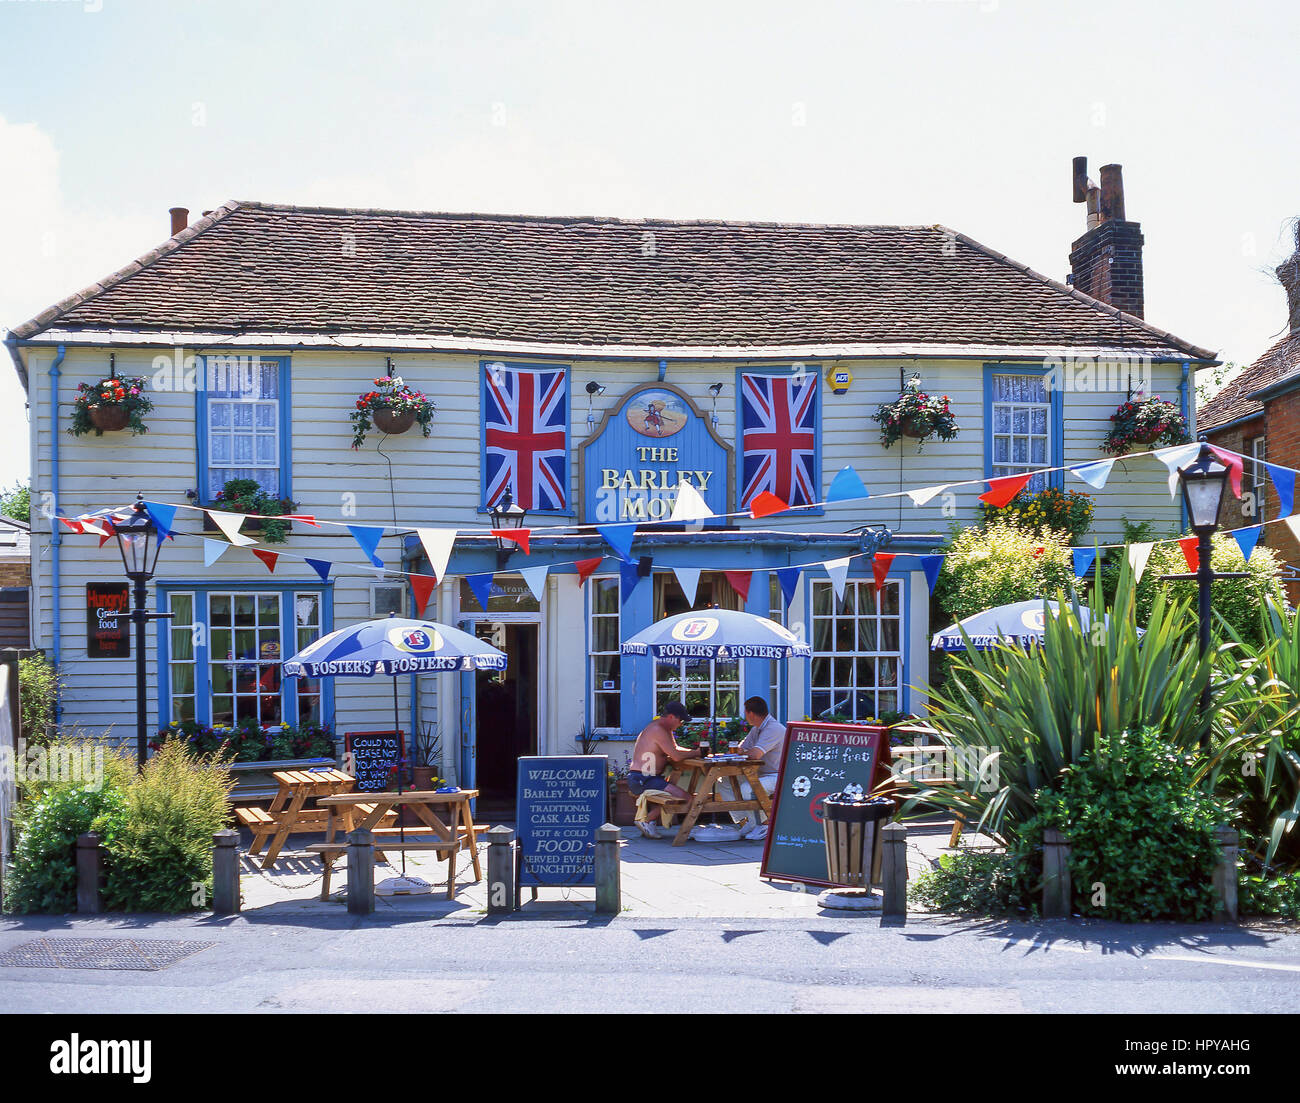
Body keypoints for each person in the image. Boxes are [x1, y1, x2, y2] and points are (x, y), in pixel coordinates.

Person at [626, 701, 693, 838]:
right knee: (685, 798)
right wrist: (698, 753)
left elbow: (675, 749)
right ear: (671, 717)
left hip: (647, 777)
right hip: (643, 779)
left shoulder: (663, 729)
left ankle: (649, 822)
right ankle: (646, 820)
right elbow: (676, 756)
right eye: (681, 720)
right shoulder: (658, 730)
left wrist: (693, 751)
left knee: (673, 794)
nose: (681, 724)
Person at [731, 696, 786, 841]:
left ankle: (763, 824)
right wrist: (742, 751)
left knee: (748, 788)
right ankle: (747, 820)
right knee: (724, 781)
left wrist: (744, 752)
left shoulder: (773, 728)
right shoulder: (757, 728)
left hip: (779, 775)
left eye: (745, 712)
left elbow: (755, 754)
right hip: (764, 774)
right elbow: (742, 749)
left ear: (750, 713)